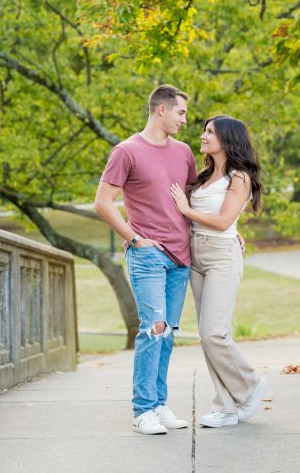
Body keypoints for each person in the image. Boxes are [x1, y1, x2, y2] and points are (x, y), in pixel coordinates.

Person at [95, 84, 199, 435]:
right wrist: (134, 239)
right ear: (162, 110)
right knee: (153, 331)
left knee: (167, 334)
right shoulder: (126, 151)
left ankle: (159, 404)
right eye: (181, 112)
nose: (185, 120)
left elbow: (193, 202)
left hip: (180, 257)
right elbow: (103, 203)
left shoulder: (184, 153)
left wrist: (230, 231)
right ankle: (142, 411)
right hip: (148, 256)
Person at [170, 115, 268, 428]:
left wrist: (187, 210)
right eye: (204, 130)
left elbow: (225, 220)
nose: (203, 135)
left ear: (227, 139)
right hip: (196, 253)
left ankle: (249, 384)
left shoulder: (239, 177)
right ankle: (226, 407)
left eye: (210, 132)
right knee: (206, 336)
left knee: (215, 333)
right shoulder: (204, 176)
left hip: (222, 256)